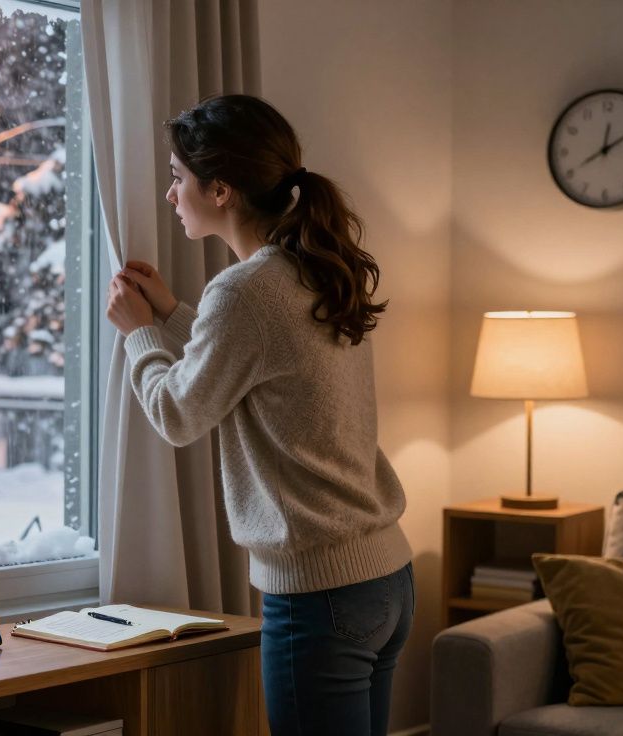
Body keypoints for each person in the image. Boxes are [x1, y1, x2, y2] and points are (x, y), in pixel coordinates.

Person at [104, 94, 414, 736]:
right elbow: (260, 367)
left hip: (320, 593)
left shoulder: (245, 291)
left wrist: (139, 335)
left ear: (220, 190)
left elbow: (178, 413)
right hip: (385, 579)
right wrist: (168, 314)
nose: (170, 194)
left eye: (176, 177)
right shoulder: (315, 267)